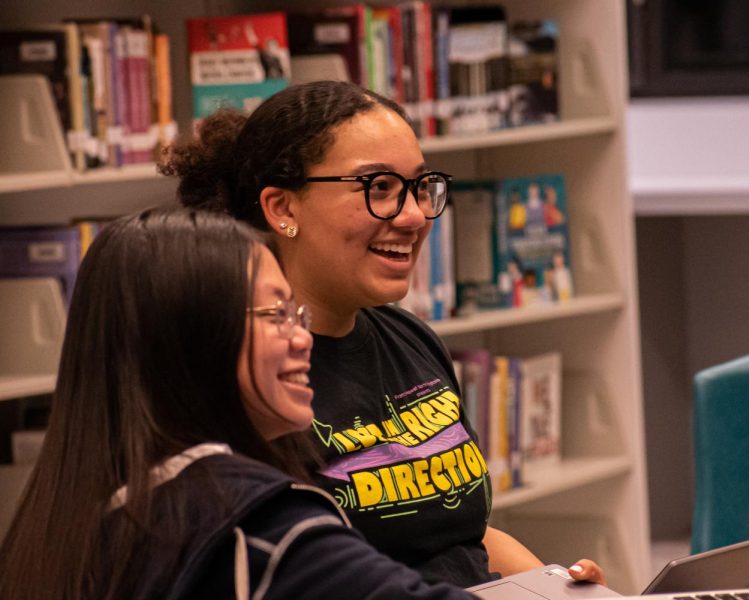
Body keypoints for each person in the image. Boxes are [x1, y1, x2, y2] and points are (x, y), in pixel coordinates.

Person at [161, 80, 606, 587]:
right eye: (379, 189)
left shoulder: (408, 336)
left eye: (418, 187)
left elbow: (465, 534)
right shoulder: (250, 373)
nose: (414, 216)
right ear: (283, 208)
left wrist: (559, 586)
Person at [0, 207, 476, 599]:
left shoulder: (55, 521)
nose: (302, 337)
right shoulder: (259, 529)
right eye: (276, 315)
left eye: (296, 313)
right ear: (191, 340)